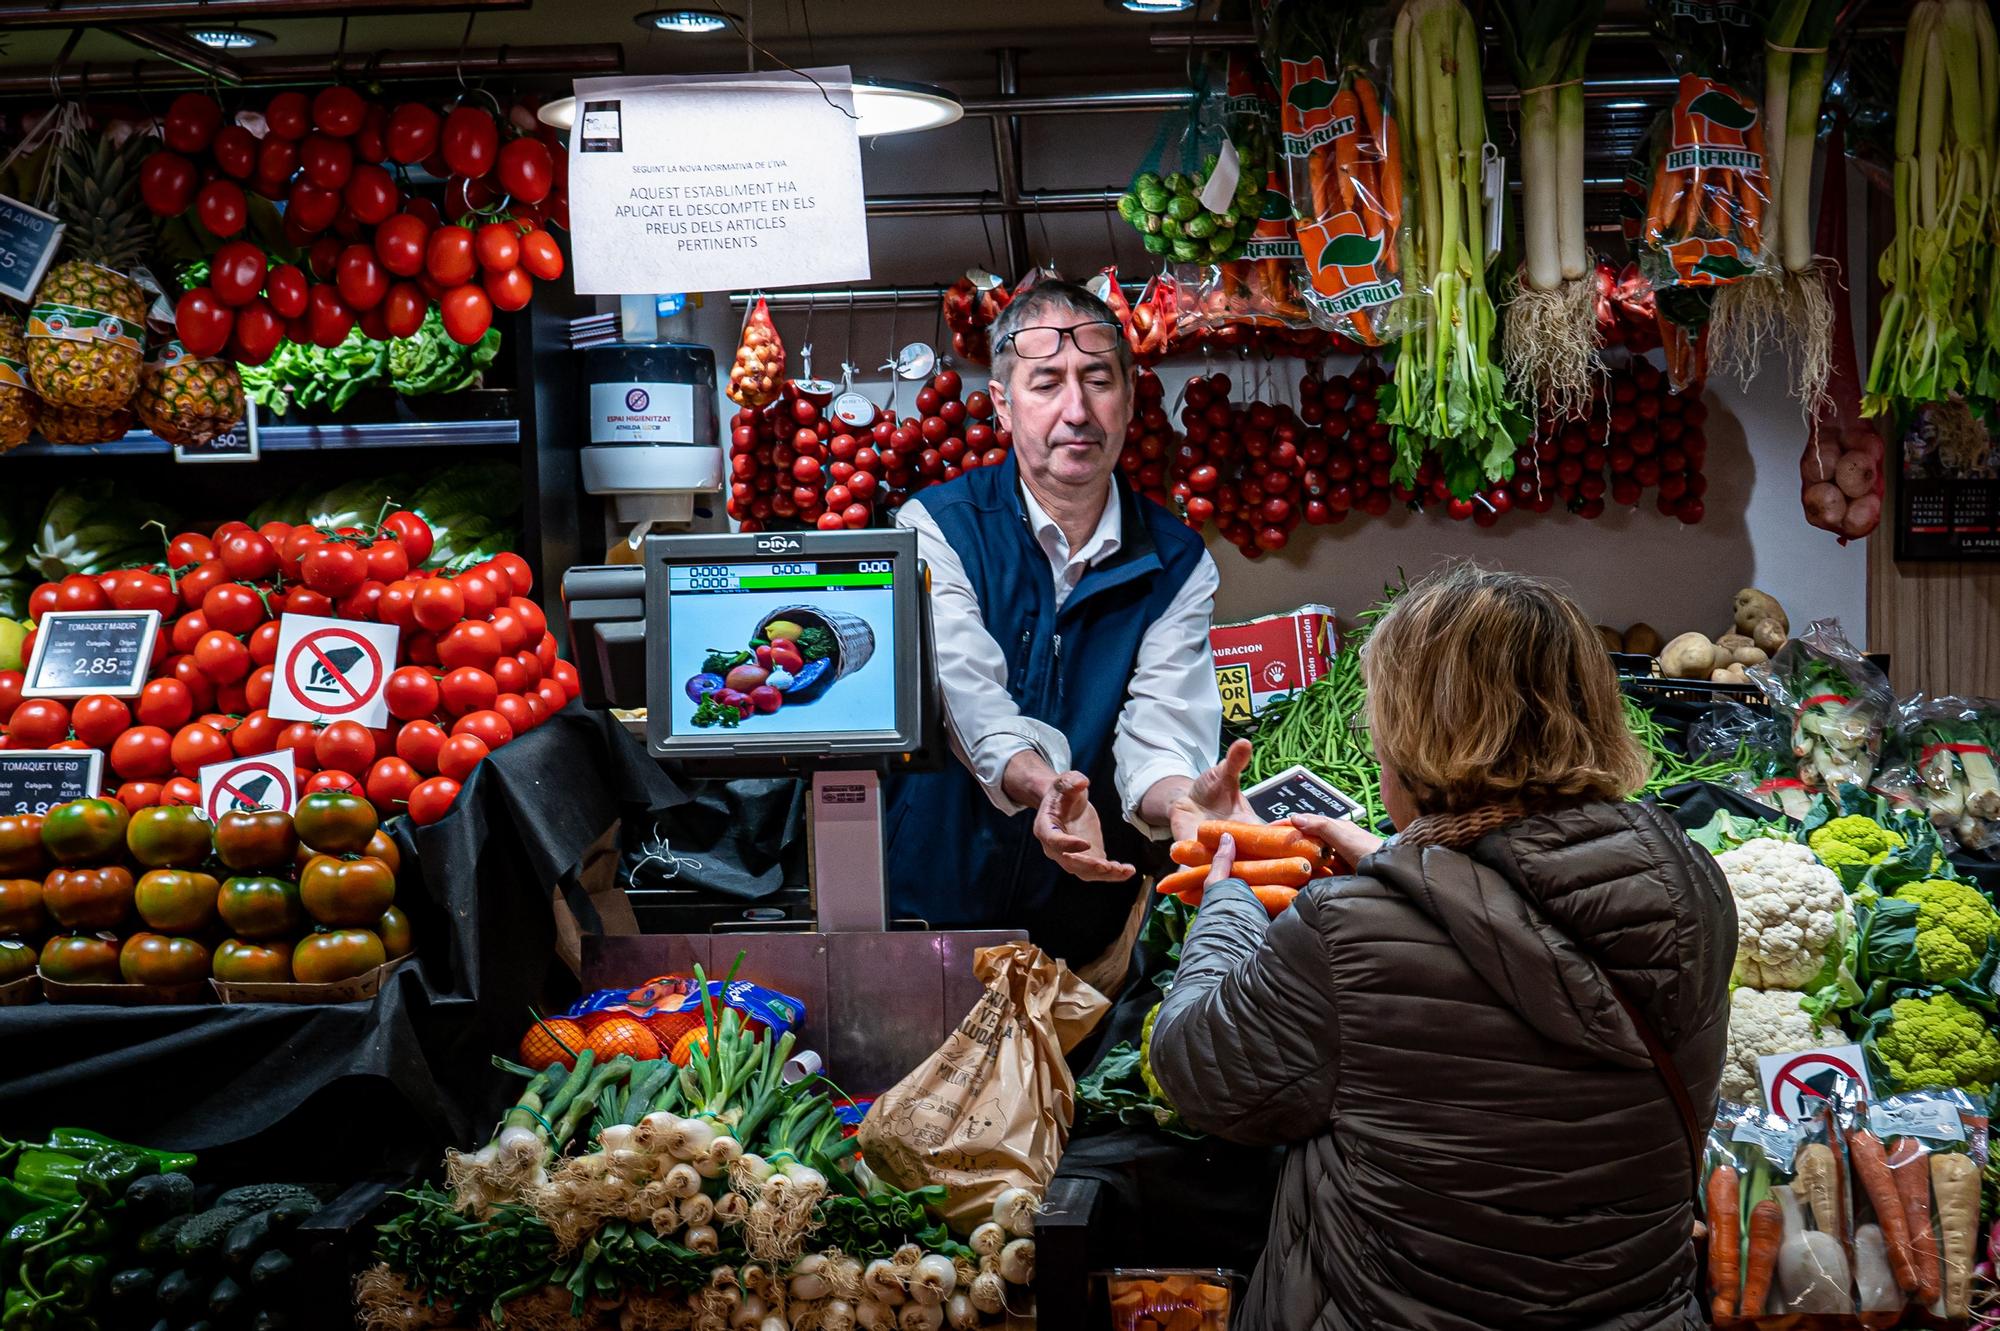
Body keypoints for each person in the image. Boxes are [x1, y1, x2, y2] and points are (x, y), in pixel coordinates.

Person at [1150, 565, 1736, 1331]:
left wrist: (1226, 898)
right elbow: (1540, 916)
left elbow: (1199, 1071)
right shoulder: (1693, 886)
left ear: (1415, 736)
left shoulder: (1345, 934)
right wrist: (1399, 863)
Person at [883, 279, 1253, 974]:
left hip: (1084, 931)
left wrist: (1184, 801)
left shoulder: (1176, 563)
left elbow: (1162, 734)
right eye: (1046, 382)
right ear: (1002, 402)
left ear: (1132, 398)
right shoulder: (936, 528)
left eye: (1097, 381)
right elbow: (969, 699)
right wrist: (1041, 783)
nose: (1076, 410)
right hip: (929, 917)